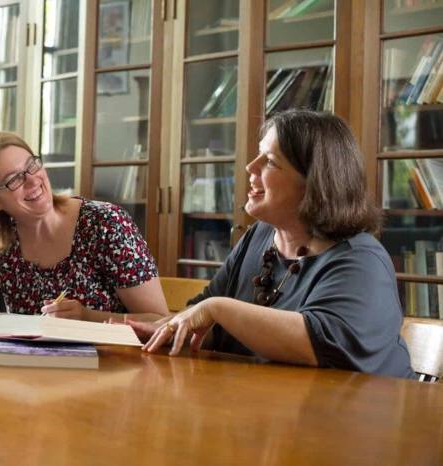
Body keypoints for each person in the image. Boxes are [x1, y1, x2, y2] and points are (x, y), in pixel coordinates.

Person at [132, 109, 415, 379]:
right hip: (270, 410)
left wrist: (218, 309)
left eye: (269, 161)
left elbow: (320, 343)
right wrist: (162, 330)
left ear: (314, 182)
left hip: (356, 421)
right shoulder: (261, 235)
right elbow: (206, 321)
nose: (249, 166)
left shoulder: (361, 260)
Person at [0, 131, 169, 323]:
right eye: (14, 179)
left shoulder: (105, 223)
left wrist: (87, 316)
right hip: (30, 379)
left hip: (114, 373)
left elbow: (160, 321)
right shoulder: (0, 239)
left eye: (32, 165)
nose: (32, 181)